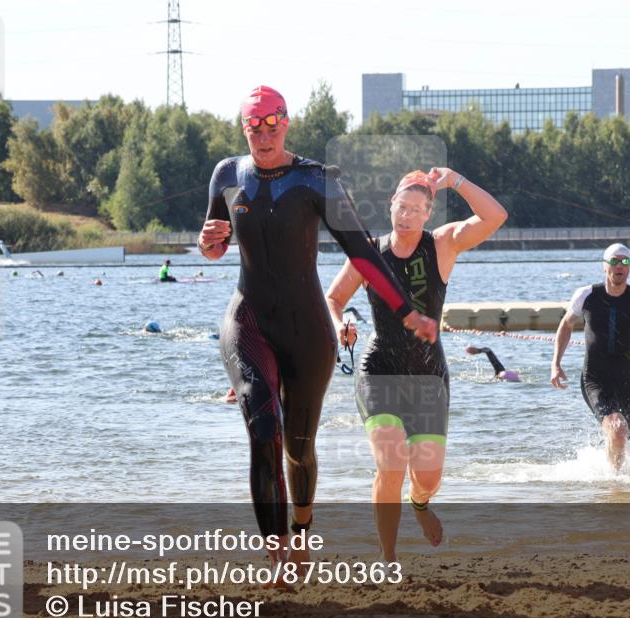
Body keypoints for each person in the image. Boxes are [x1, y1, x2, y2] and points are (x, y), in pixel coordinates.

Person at [198, 86, 438, 569]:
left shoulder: (316, 179)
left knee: (298, 448)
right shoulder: (227, 174)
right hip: (248, 318)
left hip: (307, 329)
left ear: (286, 124)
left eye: (272, 126)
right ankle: (276, 553)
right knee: (263, 427)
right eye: (254, 128)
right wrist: (207, 242)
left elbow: (362, 252)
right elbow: (215, 245)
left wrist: (405, 310)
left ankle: (301, 529)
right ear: (244, 129)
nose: (263, 136)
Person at [325, 168, 508, 562]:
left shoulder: (442, 244)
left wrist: (456, 181)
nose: (406, 215)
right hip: (379, 368)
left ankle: (420, 504)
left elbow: (495, 216)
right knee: (392, 462)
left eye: (415, 209)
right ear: (390, 205)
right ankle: (388, 557)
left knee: (427, 478)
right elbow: (334, 299)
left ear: (428, 214)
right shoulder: (369, 252)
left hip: (428, 374)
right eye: (401, 207)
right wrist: (341, 326)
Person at [551, 243, 630, 469]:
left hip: (627, 380)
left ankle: (617, 481)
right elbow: (566, 325)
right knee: (617, 429)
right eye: (614, 261)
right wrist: (555, 364)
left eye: (625, 262)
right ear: (604, 266)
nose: (620, 266)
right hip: (594, 379)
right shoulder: (586, 295)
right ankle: (614, 482)